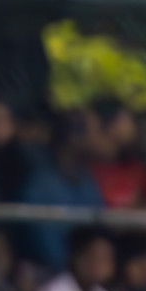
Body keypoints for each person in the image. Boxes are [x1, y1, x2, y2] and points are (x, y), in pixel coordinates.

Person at [20, 109, 104, 271]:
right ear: (74, 138)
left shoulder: (86, 180)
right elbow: (50, 249)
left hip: (87, 271)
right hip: (52, 274)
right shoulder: (41, 186)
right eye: (93, 133)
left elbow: (98, 229)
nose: (99, 140)